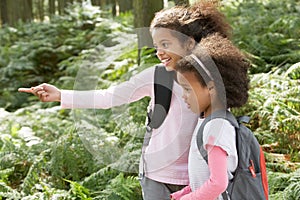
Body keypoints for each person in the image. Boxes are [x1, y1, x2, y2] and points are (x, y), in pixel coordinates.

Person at [18, 1, 232, 199]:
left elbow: (220, 125)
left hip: (197, 177)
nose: (159, 52)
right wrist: (61, 95)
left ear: (188, 43)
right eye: (156, 45)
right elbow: (110, 96)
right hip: (155, 177)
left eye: (165, 44)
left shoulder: (211, 81)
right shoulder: (156, 75)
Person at [170, 32, 250, 200]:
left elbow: (218, 183)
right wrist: (184, 193)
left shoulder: (217, 127)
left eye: (187, 89)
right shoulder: (208, 121)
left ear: (211, 88)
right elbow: (204, 176)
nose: (183, 95)